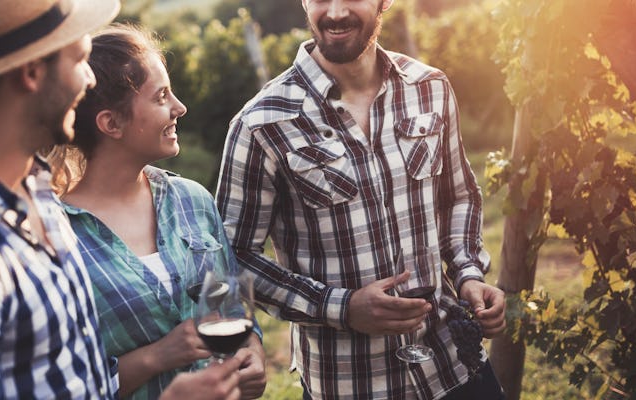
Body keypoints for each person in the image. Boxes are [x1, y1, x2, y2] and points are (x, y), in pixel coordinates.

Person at [0, 0, 242, 398]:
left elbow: (77, 383)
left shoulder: (36, 195)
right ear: (31, 72)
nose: (89, 82)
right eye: (79, 60)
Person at [215, 0, 507, 399]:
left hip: (454, 364)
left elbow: (457, 197)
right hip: (350, 384)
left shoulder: (430, 88)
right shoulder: (261, 123)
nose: (335, 13)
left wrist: (468, 273)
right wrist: (340, 307)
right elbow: (232, 257)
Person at [45, 25, 267, 400]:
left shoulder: (192, 200)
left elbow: (233, 309)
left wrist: (254, 356)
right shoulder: (56, 235)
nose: (179, 107)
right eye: (161, 96)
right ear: (111, 123)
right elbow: (58, 384)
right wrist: (156, 357)